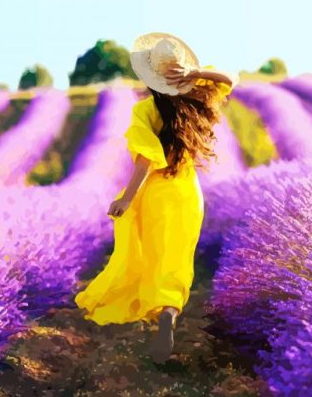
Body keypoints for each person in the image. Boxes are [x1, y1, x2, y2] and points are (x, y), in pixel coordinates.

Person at [74, 32, 239, 364]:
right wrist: (196, 76)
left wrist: (127, 198)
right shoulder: (196, 99)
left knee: (149, 253)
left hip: (156, 192)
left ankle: (152, 307)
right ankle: (168, 310)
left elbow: (146, 158)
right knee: (176, 256)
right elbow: (230, 79)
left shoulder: (146, 110)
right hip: (187, 192)